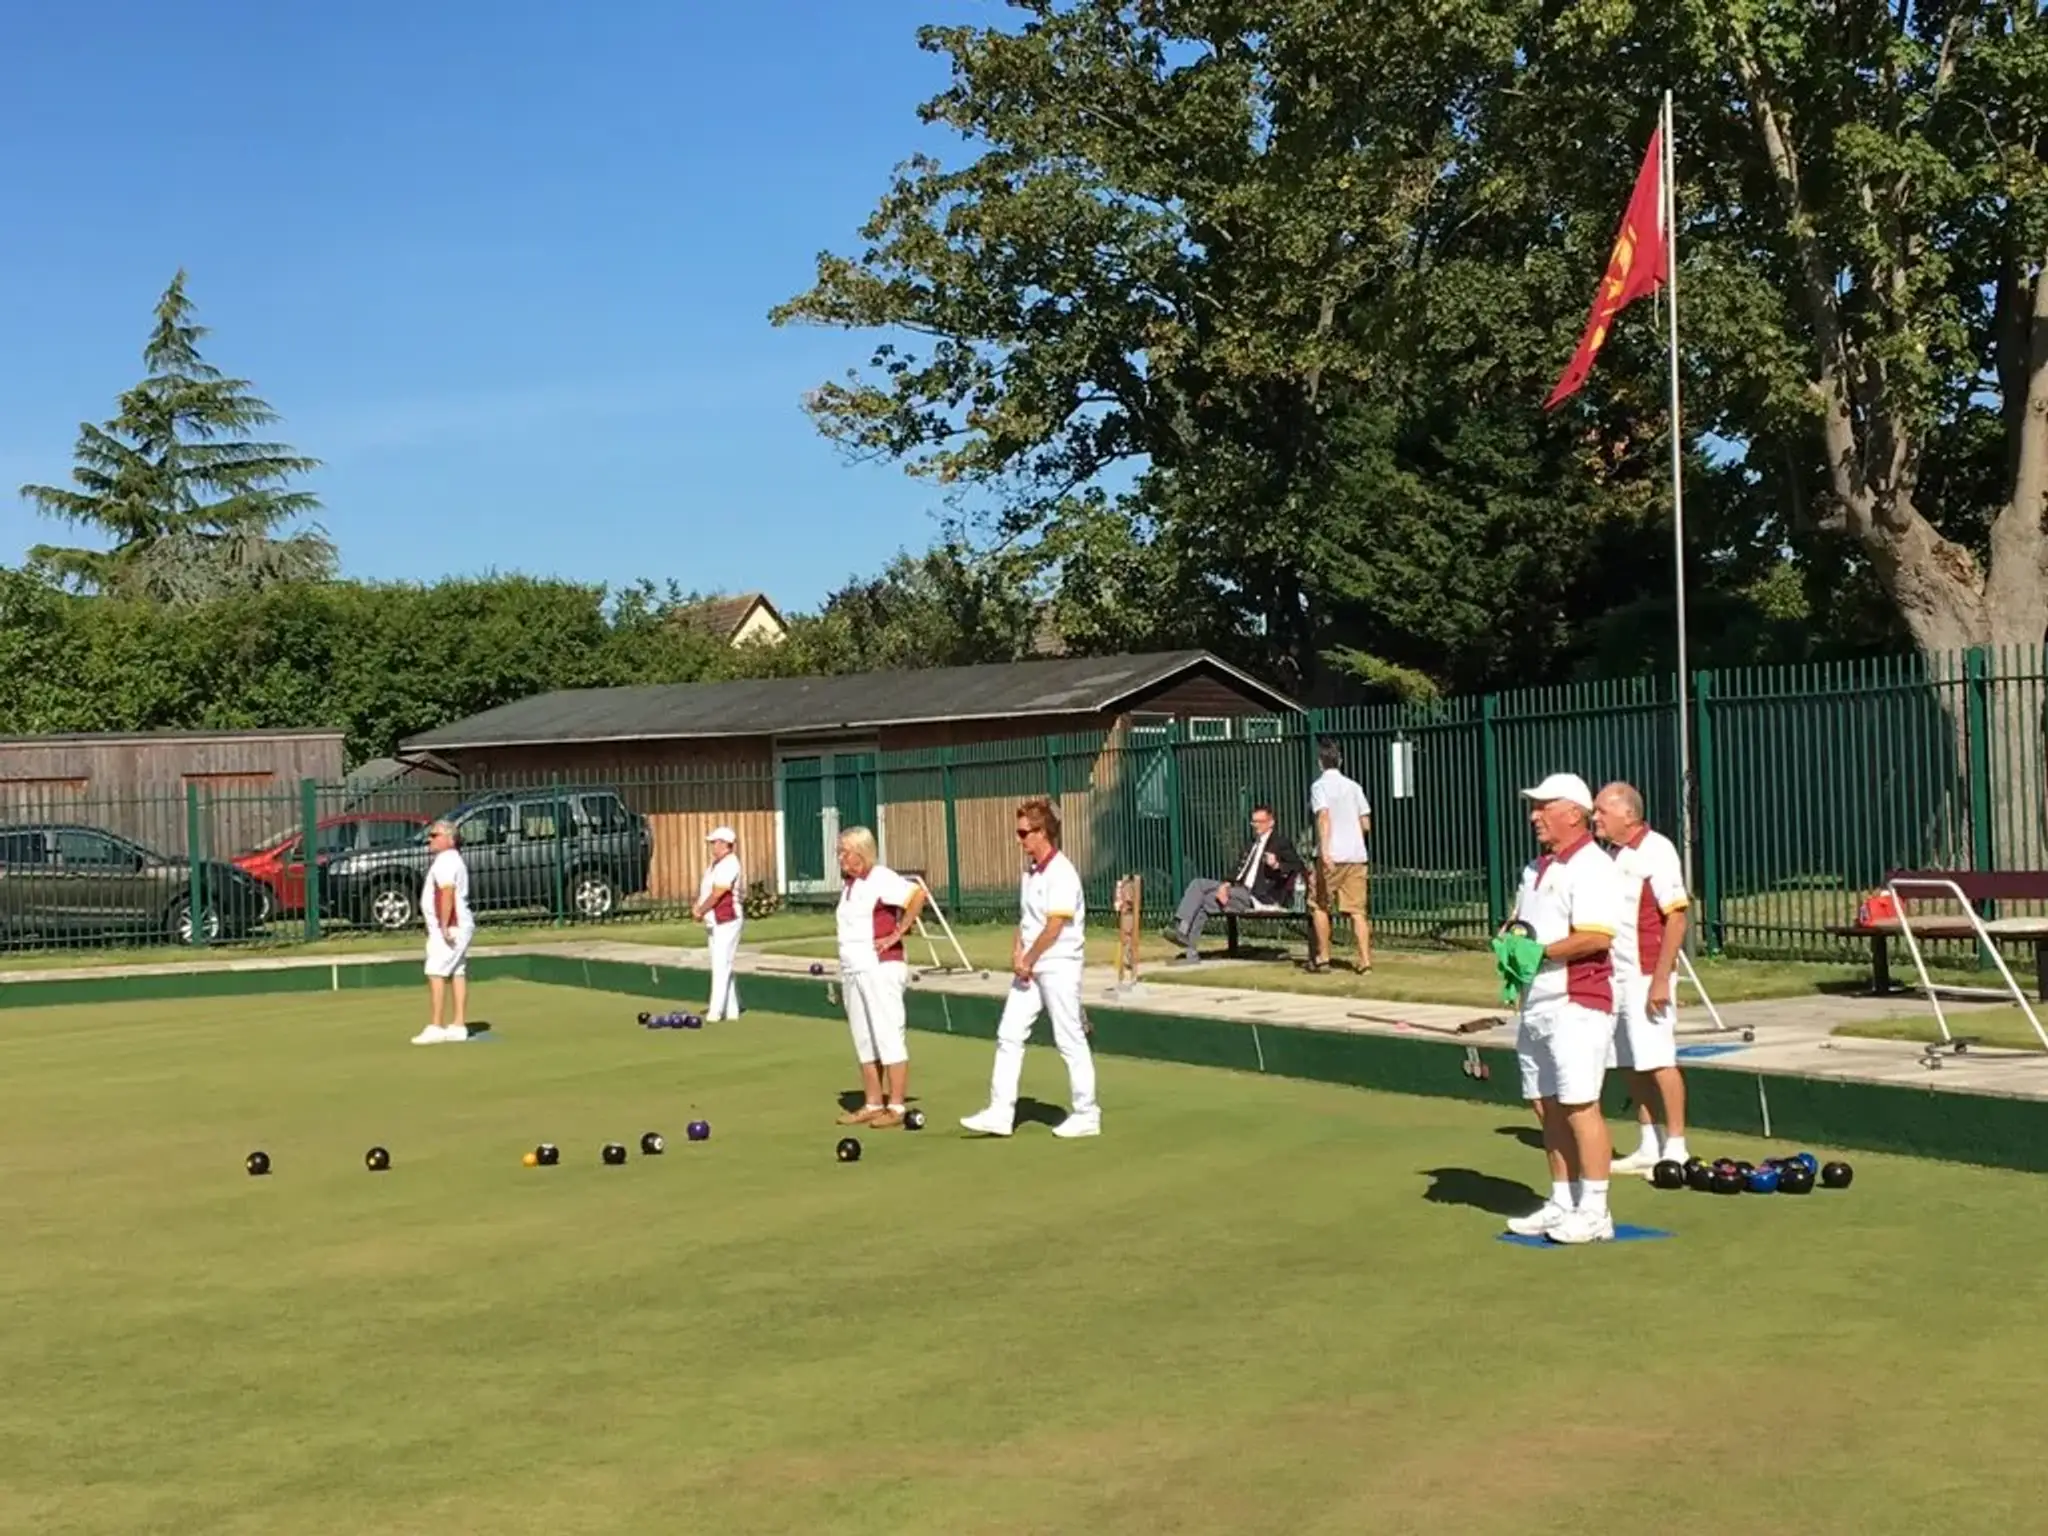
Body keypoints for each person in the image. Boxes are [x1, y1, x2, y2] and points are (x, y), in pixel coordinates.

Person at [1501, 772, 1627, 1245]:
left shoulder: (1593, 866)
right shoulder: (1535, 869)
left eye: (1544, 805)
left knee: (1579, 1104)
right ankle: (1562, 1200)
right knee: (1544, 1103)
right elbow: (1523, 928)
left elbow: (1596, 936)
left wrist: (1539, 953)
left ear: (1573, 813)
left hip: (1579, 999)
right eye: (1533, 805)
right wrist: (1511, 948)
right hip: (1537, 1001)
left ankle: (1595, 1210)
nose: (1534, 814)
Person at [960, 797, 1101, 1139]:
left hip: (1059, 965)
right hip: (1032, 967)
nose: (1019, 839)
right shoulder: (1030, 872)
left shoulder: (1062, 873)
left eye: (1024, 833)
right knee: (1009, 1034)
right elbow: (1027, 919)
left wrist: (1030, 959)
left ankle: (1087, 1113)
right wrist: (1017, 952)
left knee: (1069, 1038)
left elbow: (1054, 926)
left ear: (1043, 832)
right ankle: (1000, 1111)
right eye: (1018, 832)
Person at [1593, 781, 1693, 1176]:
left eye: (1602, 811)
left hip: (1646, 973)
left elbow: (1677, 917)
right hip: (1615, 976)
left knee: (1659, 1060)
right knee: (1629, 1062)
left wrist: (1660, 979)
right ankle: (1648, 1142)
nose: (1595, 818)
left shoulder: (1658, 850)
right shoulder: (1611, 856)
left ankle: (1678, 1145)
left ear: (1628, 815)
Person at [833, 826, 929, 1129]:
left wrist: (897, 932)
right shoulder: (849, 885)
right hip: (853, 968)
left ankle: (897, 1106)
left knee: (888, 1033)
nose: (840, 857)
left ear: (860, 852)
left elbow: (917, 896)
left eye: (843, 851)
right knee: (864, 1037)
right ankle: (873, 1102)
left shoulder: (881, 877)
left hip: (881, 967)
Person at [1165, 804, 1303, 962]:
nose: (1256, 825)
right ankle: (1188, 945)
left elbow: (1297, 866)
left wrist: (1277, 865)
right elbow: (1236, 871)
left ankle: (1183, 932)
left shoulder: (1280, 842)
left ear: (1271, 822)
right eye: (1253, 822)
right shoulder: (1251, 843)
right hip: (1239, 890)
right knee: (1201, 894)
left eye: (1260, 821)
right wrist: (1225, 886)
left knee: (1201, 892)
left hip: (1258, 896)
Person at [1307, 739, 1373, 973]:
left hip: (1332, 855)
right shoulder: (1354, 787)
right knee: (1357, 911)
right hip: (1356, 855)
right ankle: (1365, 961)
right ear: (1340, 761)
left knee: (1320, 905)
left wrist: (1325, 850)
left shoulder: (1319, 786)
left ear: (1320, 763)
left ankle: (1323, 957)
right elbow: (1365, 823)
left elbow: (1323, 817)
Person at [413, 820, 475, 1045]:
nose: (430, 839)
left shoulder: (446, 860)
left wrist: (444, 925)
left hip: (450, 927)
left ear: (449, 838)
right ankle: (458, 1025)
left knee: (435, 971)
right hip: (455, 925)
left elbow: (446, 893)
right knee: (457, 971)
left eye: (434, 835)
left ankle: (436, 1025)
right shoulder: (450, 859)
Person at [693, 826, 745, 1021]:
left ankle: (716, 1011)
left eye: (714, 842)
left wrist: (701, 909)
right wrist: (697, 905)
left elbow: (718, 894)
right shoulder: (715, 864)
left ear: (725, 844)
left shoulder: (730, 864)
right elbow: (707, 891)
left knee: (721, 964)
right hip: (715, 921)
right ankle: (733, 1009)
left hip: (727, 919)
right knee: (724, 963)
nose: (712, 846)